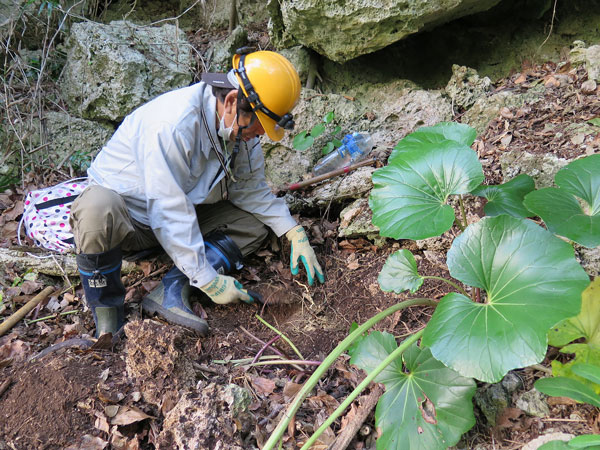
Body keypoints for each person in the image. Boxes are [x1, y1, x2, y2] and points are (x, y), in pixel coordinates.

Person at [69, 49, 325, 338]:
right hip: (130, 225)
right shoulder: (172, 124)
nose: (261, 135)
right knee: (96, 207)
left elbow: (249, 191)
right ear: (231, 101)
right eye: (259, 126)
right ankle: (108, 321)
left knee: (253, 224)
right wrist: (209, 280)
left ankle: (174, 288)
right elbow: (167, 210)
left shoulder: (238, 130)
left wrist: (292, 231)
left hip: (180, 218)